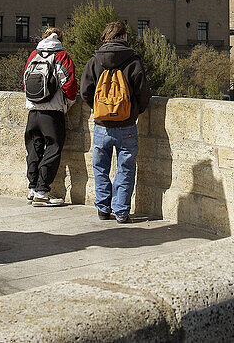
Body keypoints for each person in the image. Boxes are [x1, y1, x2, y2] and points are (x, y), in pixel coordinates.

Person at [80, 21, 151, 223]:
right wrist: (136, 111)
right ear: (123, 37)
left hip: (102, 125)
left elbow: (85, 91)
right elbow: (143, 92)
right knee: (126, 168)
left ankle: (103, 208)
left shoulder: (94, 60)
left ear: (106, 37)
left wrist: (98, 109)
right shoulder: (132, 60)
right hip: (127, 124)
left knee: (100, 167)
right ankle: (121, 212)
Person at [22, 27, 77, 207]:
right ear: (60, 38)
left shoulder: (33, 55)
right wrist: (68, 103)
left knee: (34, 148)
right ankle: (42, 191)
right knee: (53, 148)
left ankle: (32, 188)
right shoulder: (61, 56)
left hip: (33, 111)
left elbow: (25, 80)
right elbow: (68, 83)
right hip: (52, 113)